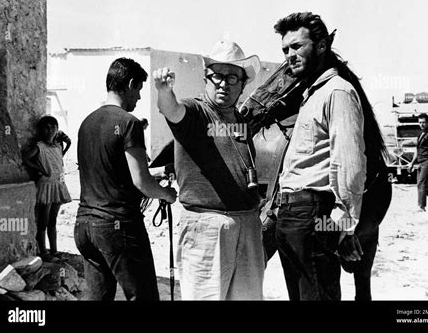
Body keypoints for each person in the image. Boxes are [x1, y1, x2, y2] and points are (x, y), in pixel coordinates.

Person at [272, 11, 387, 301]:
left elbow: (348, 162)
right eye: (286, 49)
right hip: (293, 218)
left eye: (297, 46)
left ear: (322, 46)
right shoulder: (313, 94)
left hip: (312, 215)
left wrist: (344, 225)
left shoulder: (338, 92)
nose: (290, 55)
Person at [152, 40, 265, 300]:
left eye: (232, 77)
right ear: (206, 78)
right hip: (207, 227)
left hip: (247, 224)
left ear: (243, 84)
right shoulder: (196, 112)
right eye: (217, 76)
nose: (224, 83)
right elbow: (172, 110)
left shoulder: (242, 121)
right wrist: (164, 90)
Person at [75, 57, 177, 301]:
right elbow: (141, 182)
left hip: (85, 227)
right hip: (117, 226)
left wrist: (162, 171)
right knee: (144, 297)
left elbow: (114, 171)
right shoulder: (129, 123)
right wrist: (167, 194)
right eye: (139, 89)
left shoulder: (86, 123)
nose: (139, 98)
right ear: (131, 83)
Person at [22, 115, 72, 261]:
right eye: (47, 127)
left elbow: (59, 158)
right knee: (43, 221)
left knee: (53, 221)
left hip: (58, 185)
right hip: (46, 186)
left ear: (57, 129)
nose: (50, 130)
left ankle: (54, 252)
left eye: (53, 127)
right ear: (41, 130)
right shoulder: (39, 147)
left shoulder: (57, 146)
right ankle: (43, 253)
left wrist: (68, 143)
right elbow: (25, 158)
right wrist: (39, 168)